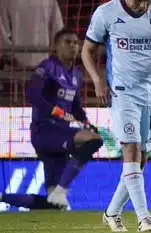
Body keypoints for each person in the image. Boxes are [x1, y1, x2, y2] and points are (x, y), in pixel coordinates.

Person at [82, 0, 151, 233]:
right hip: (121, 91)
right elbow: (87, 50)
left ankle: (112, 213)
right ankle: (143, 217)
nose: (143, 4)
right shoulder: (106, 13)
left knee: (140, 160)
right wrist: (98, 81)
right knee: (131, 151)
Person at [0, 29, 103, 210]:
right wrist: (57, 112)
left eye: (75, 43)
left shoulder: (76, 75)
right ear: (56, 47)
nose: (73, 46)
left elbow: (76, 108)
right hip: (45, 130)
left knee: (53, 204)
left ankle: (3, 197)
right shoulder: (47, 68)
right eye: (67, 42)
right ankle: (61, 190)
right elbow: (33, 95)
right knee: (94, 141)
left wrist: (87, 123)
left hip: (60, 134)